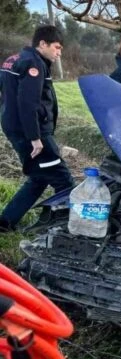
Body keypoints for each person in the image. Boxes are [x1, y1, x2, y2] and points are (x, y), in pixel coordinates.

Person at [0, 26, 73, 233]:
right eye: (57, 47)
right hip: (33, 133)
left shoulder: (13, 59)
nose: (59, 53)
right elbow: (28, 103)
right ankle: (60, 229)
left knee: (39, 177)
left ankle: (6, 222)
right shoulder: (34, 63)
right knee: (63, 179)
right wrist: (35, 138)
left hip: (16, 127)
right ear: (42, 44)